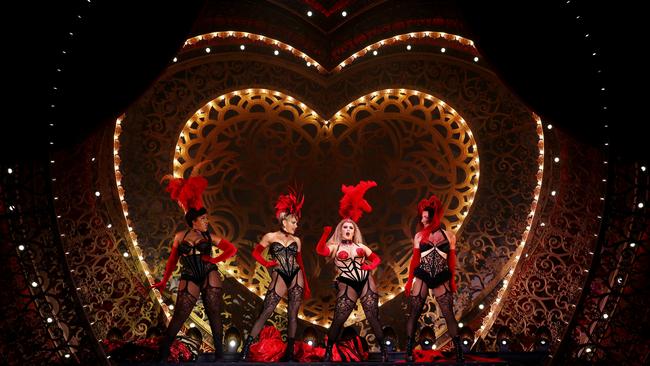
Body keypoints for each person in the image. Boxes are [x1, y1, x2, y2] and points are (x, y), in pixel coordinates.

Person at [151, 172, 237, 361]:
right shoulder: (180, 236)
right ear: (194, 221)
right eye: (204, 218)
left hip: (208, 273)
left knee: (214, 313)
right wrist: (164, 282)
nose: (207, 221)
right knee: (180, 315)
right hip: (189, 274)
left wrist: (214, 261)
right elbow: (172, 261)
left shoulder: (209, 237)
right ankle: (163, 354)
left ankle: (220, 356)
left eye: (207, 218)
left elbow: (231, 249)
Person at [315, 181, 387, 362]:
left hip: (365, 280)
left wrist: (370, 267)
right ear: (341, 230)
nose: (348, 230)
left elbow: (376, 258)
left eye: (351, 228)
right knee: (340, 318)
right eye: (345, 227)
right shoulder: (335, 247)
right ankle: (328, 351)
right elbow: (320, 251)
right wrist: (325, 234)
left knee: (372, 316)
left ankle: (386, 353)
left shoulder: (361, 245)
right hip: (347, 281)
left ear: (355, 231)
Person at [239, 187, 311, 361]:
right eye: (293, 222)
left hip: (296, 275)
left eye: (297, 223)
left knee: (292, 314)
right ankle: (246, 348)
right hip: (279, 273)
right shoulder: (270, 236)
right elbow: (256, 253)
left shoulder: (297, 241)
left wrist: (306, 286)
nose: (296, 225)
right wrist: (268, 263)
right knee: (267, 310)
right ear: (284, 221)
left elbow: (300, 263)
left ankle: (289, 352)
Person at [403, 194, 463, 362]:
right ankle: (408, 349)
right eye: (421, 217)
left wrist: (451, 280)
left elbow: (451, 260)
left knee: (448, 313)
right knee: (414, 313)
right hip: (422, 274)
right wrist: (409, 282)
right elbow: (414, 261)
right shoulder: (419, 236)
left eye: (424, 218)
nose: (422, 221)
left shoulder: (449, 236)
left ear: (432, 217)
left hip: (441, 276)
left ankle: (459, 350)